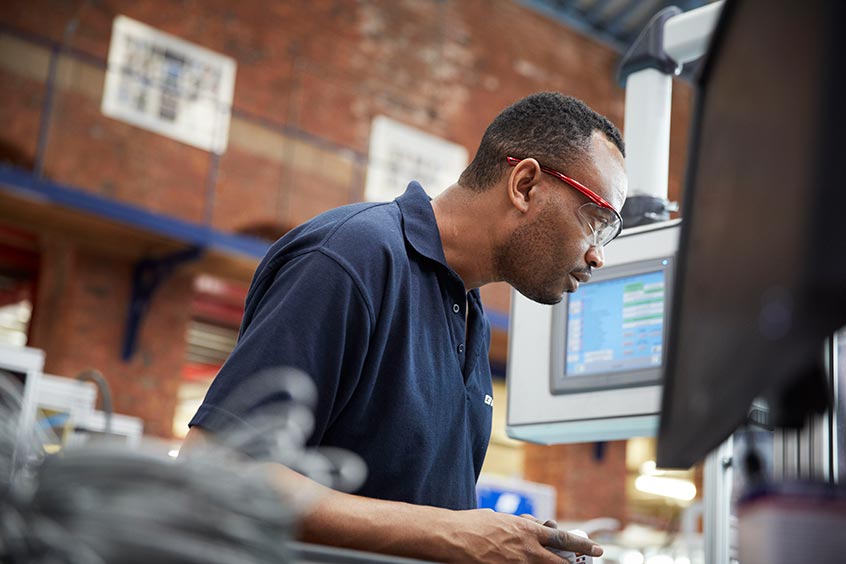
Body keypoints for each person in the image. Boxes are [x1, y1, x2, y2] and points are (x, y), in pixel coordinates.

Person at [184, 91, 628, 563]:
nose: (598, 255)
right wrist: (454, 533)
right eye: (596, 221)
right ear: (524, 185)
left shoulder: (468, 310)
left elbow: (421, 517)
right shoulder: (351, 257)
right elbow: (214, 470)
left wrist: (506, 543)